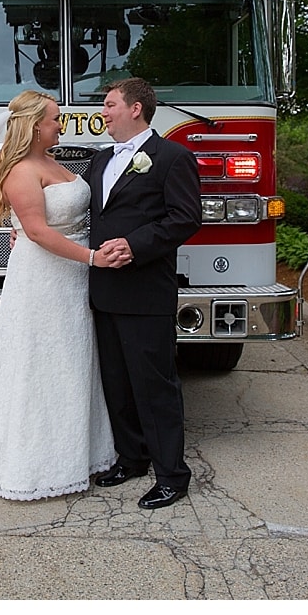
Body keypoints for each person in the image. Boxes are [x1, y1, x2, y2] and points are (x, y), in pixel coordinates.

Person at [0, 90, 117, 500]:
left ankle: (79, 451)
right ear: (33, 125)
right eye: (54, 119)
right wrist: (92, 258)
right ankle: (36, 460)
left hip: (71, 276)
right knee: (43, 359)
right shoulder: (18, 169)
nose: (60, 125)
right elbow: (36, 230)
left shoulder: (50, 162)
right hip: (46, 278)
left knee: (74, 358)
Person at [84, 77, 202, 510]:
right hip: (104, 291)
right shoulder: (99, 161)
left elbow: (186, 219)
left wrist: (136, 245)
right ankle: (131, 458)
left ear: (136, 108)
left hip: (146, 292)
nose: (104, 111)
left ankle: (172, 475)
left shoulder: (173, 157)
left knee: (155, 387)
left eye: (110, 104)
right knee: (116, 382)